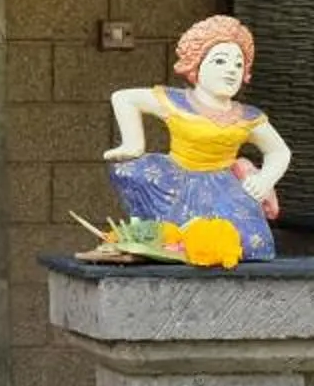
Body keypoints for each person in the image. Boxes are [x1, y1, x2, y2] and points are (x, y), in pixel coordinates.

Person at [102, 13, 291, 261]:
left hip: (223, 185)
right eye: (220, 61)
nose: (231, 70)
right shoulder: (177, 101)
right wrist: (133, 143)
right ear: (197, 64)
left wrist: (265, 179)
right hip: (176, 178)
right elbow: (124, 98)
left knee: (251, 243)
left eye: (238, 64)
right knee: (131, 173)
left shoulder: (247, 116)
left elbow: (279, 151)